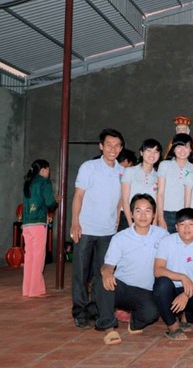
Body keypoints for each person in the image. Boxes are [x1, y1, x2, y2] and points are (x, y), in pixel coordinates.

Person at [95, 194, 168, 345]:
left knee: (151, 313)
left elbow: (180, 243)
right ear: (132, 214)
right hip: (122, 287)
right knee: (102, 281)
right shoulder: (121, 237)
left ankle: (134, 322)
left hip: (145, 291)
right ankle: (109, 328)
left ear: (154, 214)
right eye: (138, 211)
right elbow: (108, 265)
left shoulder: (162, 235)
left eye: (148, 211)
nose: (143, 216)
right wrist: (106, 272)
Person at [70, 128, 125, 329]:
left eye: (117, 145)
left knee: (102, 272)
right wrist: (75, 222)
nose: (113, 149)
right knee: (81, 273)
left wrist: (117, 217)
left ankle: (95, 308)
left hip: (108, 232)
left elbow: (121, 199)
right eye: (108, 145)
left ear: (121, 148)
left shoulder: (122, 171)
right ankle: (79, 311)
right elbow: (78, 195)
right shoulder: (89, 167)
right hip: (85, 229)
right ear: (101, 146)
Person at [153, 208, 193, 341]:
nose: (186, 228)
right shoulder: (167, 242)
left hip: (191, 290)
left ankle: (185, 315)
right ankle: (173, 327)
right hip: (169, 289)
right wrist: (182, 277)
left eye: (191, 224)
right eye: (182, 224)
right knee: (162, 283)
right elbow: (158, 270)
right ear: (176, 227)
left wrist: (186, 295)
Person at [21, 159, 58, 298]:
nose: (49, 172)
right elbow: (49, 202)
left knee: (29, 257)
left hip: (26, 223)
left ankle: (27, 289)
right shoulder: (44, 182)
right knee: (38, 257)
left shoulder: (28, 182)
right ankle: (35, 290)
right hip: (38, 222)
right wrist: (56, 200)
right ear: (43, 170)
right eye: (48, 169)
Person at [157, 133, 193, 233]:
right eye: (179, 147)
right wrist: (160, 217)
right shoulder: (165, 165)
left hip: (185, 215)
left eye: (186, 147)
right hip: (166, 213)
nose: (182, 150)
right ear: (173, 149)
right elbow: (160, 193)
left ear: (191, 149)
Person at [120, 139, 162, 230]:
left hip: (148, 218)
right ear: (141, 153)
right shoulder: (130, 171)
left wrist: (154, 222)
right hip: (128, 217)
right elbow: (124, 200)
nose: (152, 154)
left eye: (156, 151)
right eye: (149, 150)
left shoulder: (158, 176)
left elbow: (157, 201)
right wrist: (131, 225)